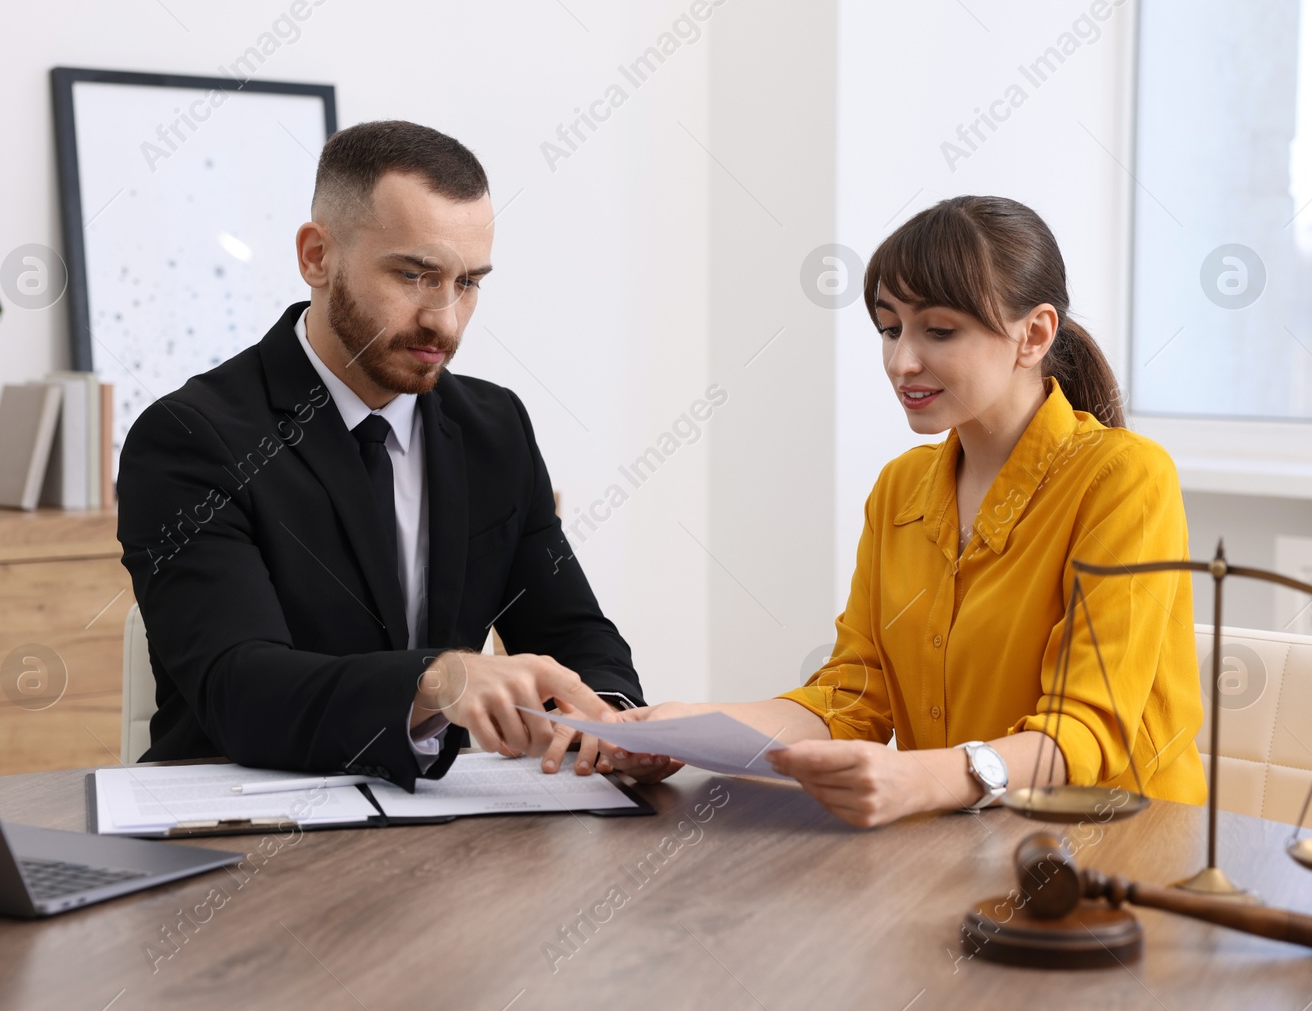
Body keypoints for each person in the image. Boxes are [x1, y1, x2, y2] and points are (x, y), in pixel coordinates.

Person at [618, 196, 1206, 826]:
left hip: (1113, 850)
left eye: (940, 331)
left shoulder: (1124, 478)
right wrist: (689, 728)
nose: (902, 362)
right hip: (964, 847)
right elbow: (854, 697)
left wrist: (925, 778)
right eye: (890, 328)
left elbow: (1087, 728)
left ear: (1033, 335)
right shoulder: (901, 489)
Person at [116, 120, 646, 790]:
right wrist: (435, 681)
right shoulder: (190, 437)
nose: (445, 320)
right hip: (241, 827)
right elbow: (239, 686)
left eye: (467, 282)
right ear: (316, 256)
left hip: (436, 833)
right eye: (415, 275)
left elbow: (573, 632)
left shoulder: (495, 427)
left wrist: (614, 722)